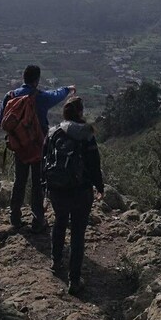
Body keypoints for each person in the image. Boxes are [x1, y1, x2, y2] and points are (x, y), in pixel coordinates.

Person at [0, 64, 75, 232]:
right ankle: (38, 219)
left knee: (19, 180)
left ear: (24, 78)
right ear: (37, 80)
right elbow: (56, 95)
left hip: (19, 146)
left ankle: (15, 218)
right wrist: (68, 89)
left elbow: (1, 121)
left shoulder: (10, 96)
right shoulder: (39, 97)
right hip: (39, 146)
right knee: (38, 183)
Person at [43, 96, 104, 295]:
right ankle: (74, 280)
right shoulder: (86, 134)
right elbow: (95, 164)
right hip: (81, 191)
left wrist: (45, 187)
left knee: (59, 223)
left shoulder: (53, 132)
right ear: (80, 112)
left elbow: (45, 160)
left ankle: (55, 261)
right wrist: (99, 187)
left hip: (57, 189)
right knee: (78, 233)